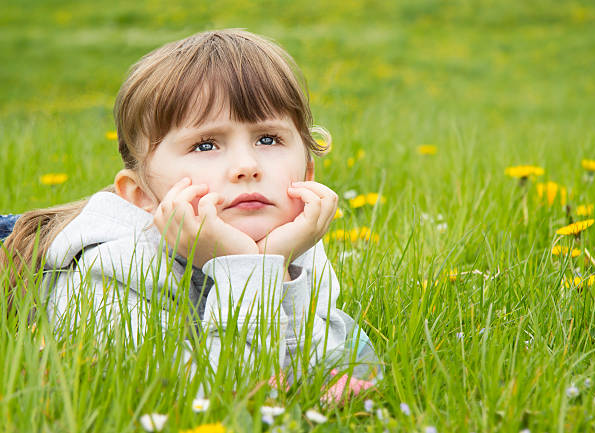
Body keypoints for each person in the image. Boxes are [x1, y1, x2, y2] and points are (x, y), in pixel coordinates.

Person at [0, 29, 381, 400]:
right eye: (205, 145)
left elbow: (337, 370)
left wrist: (274, 266)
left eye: (268, 139)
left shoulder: (290, 240)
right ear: (141, 194)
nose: (246, 166)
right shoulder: (110, 274)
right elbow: (219, 396)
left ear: (306, 173)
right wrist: (247, 270)